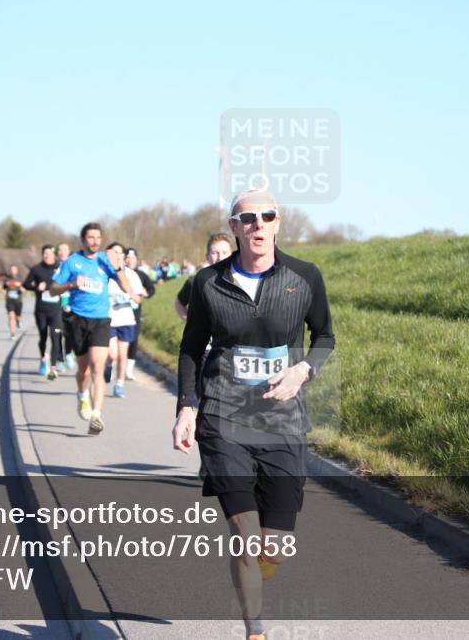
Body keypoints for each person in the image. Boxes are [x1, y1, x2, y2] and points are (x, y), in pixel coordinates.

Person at [171, 188, 335, 640]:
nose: (258, 224)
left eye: (267, 216)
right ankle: (255, 632)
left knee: (275, 548)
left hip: (283, 420)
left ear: (279, 223)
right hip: (225, 416)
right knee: (244, 536)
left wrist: (303, 370)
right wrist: (187, 406)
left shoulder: (305, 277)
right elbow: (190, 347)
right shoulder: (208, 283)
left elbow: (325, 337)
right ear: (234, 228)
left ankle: (260, 563)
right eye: (247, 218)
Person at [50, 223, 136, 435]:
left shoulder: (105, 261)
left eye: (98, 237)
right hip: (78, 320)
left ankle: (96, 415)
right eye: (91, 237)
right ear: (83, 240)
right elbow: (53, 289)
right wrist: (71, 284)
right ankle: (81, 395)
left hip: (101, 321)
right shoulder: (72, 262)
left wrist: (116, 268)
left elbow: (127, 288)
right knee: (84, 370)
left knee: (98, 368)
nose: (95, 241)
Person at [100, 242, 146, 398]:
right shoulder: (103, 273)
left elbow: (139, 299)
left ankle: (119, 384)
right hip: (109, 318)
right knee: (112, 353)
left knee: (122, 354)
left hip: (126, 318)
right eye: (112, 253)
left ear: (123, 257)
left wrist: (130, 296)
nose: (116, 256)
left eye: (119, 253)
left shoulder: (131, 275)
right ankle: (108, 365)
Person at [22, 245, 64, 380]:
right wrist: (35, 287)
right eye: (45, 253)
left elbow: (69, 281)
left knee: (55, 336)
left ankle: (53, 367)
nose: (47, 255)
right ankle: (43, 359)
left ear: (54, 255)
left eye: (49, 253)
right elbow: (26, 284)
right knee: (43, 337)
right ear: (42, 255)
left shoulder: (60, 268)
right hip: (41, 310)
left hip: (56, 310)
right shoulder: (36, 269)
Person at [174, 232, 234, 321]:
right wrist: (190, 323)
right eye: (214, 253)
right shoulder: (195, 282)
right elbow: (179, 303)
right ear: (207, 256)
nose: (220, 257)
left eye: (224, 252)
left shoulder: (241, 280)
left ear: (232, 255)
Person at [124, 247, 156, 380]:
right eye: (127, 257)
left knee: (134, 338)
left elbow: (151, 289)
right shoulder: (120, 273)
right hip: (119, 310)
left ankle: (129, 369)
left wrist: (145, 293)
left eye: (132, 257)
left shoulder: (141, 275)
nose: (130, 260)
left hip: (135, 309)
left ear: (136, 259)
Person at [56, 242, 76, 372]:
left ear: (68, 252)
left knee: (69, 334)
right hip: (57, 305)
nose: (62, 252)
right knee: (56, 333)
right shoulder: (55, 268)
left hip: (71, 304)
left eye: (64, 250)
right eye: (60, 250)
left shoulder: (74, 267)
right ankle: (59, 359)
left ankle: (68, 353)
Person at [2, 265, 24, 340]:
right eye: (11, 270)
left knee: (18, 316)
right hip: (9, 301)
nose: (13, 271)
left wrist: (20, 287)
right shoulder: (6, 279)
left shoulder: (20, 279)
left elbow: (24, 289)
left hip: (18, 301)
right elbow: (4, 289)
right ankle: (13, 334)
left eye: (14, 270)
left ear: (17, 271)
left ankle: (18, 321)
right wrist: (4, 292)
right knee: (11, 317)